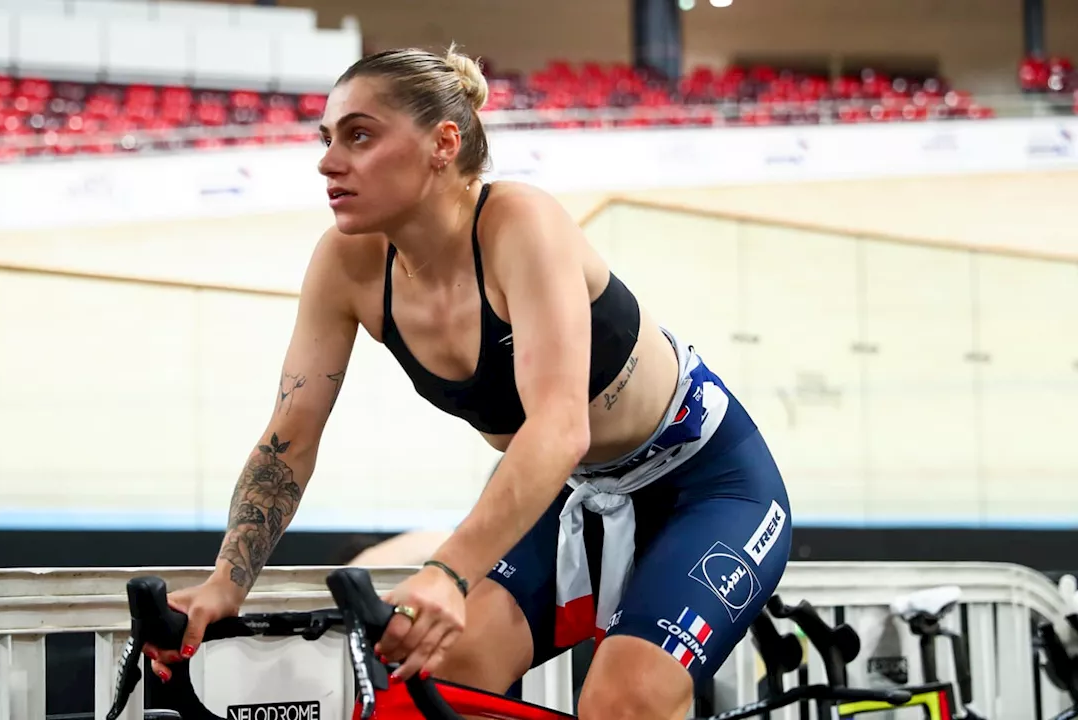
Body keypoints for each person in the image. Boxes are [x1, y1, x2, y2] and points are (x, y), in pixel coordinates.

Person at [143, 44, 794, 720]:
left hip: (707, 485)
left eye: (359, 136)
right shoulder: (345, 263)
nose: (328, 161)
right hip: (570, 492)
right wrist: (228, 580)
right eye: (326, 138)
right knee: (445, 676)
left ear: (443, 144)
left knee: (623, 698)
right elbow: (290, 438)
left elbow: (560, 425)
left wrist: (450, 572)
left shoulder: (521, 222)